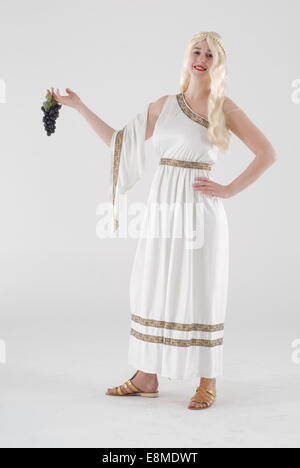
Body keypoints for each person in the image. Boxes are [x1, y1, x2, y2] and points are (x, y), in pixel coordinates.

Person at [49, 31, 277, 410]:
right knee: (154, 284)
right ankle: (146, 376)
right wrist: (80, 107)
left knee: (201, 287)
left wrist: (230, 189)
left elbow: (267, 152)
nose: (201, 58)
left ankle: (207, 380)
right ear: (187, 56)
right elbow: (119, 143)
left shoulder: (224, 106)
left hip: (200, 212)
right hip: (162, 211)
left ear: (218, 63)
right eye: (196, 51)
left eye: (210, 54)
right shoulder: (163, 105)